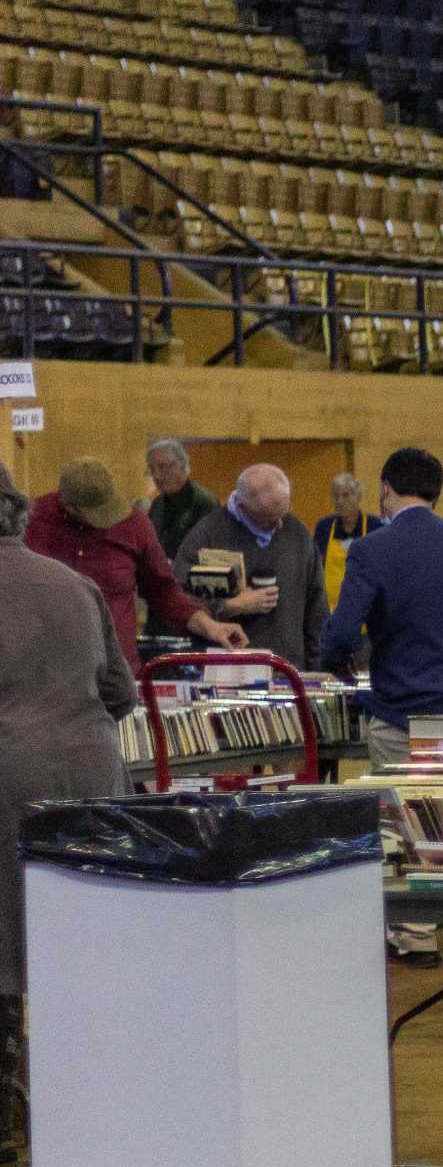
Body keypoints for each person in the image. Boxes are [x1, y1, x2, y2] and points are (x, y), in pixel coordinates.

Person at [317, 447, 443, 966]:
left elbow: (341, 630)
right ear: (437, 491)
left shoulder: (371, 549)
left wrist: (336, 661)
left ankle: (416, 935)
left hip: (401, 708)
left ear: (384, 489)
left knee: (405, 823)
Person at [0, 464, 135, 1084]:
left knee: (5, 941)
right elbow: (119, 691)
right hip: (92, 774)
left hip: (10, 776)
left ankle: (7, 1105)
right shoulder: (75, 584)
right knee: (86, 932)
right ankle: (93, 1086)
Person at [26, 457, 245, 670]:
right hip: (44, 670)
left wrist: (210, 626)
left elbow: (164, 591)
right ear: (67, 504)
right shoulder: (31, 519)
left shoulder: (134, 524)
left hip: (113, 671)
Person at [172, 463, 327, 668]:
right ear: (243, 508)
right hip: (228, 668)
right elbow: (177, 597)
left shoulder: (296, 533)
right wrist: (230, 606)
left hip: (288, 668)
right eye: (270, 518)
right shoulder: (208, 534)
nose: (279, 524)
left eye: (283, 512)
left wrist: (316, 667)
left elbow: (317, 610)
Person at [143, 437, 216, 580]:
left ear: (183, 465)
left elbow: (212, 558)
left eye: (163, 467)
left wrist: (175, 565)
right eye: (152, 470)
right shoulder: (157, 504)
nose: (157, 476)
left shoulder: (205, 503)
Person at [311, 471, 377, 612]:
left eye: (346, 495)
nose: (340, 501)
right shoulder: (324, 527)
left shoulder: (375, 526)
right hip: (329, 612)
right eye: (336, 496)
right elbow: (314, 568)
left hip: (367, 612)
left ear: (358, 496)